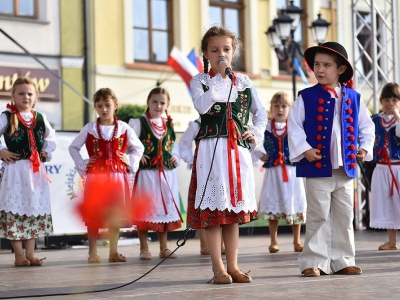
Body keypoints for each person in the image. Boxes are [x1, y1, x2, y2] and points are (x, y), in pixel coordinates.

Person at [187, 26, 268, 284]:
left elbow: (261, 113)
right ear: (206, 53)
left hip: (237, 151)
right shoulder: (199, 80)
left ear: (233, 52)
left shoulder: (243, 82)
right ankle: (217, 268)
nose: (221, 54)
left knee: (232, 210)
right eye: (215, 50)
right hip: (212, 149)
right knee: (214, 209)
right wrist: (219, 80)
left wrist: (254, 133)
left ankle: (233, 266)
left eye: (226, 49)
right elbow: (201, 106)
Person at [288, 42, 375, 277]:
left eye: (327, 65)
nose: (320, 69)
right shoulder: (305, 97)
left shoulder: (354, 97)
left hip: (344, 169)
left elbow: (367, 127)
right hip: (317, 168)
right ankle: (313, 261)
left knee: (344, 215)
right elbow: (294, 126)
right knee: (318, 215)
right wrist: (305, 150)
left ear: (341, 69)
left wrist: (365, 148)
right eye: (317, 64)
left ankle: (342, 259)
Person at [69, 88, 144, 264]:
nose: (104, 109)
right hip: (96, 178)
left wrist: (129, 160)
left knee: (115, 214)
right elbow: (73, 147)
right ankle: (92, 252)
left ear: (115, 106)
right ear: (95, 107)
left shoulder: (124, 128)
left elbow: (138, 148)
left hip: (118, 177)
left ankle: (113, 251)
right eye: (100, 105)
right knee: (95, 213)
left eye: (107, 105)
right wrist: (84, 163)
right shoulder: (90, 128)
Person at [0, 77, 56, 266]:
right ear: (13, 96)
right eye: (21, 93)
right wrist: (1, 151)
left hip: (34, 172)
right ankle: (19, 255)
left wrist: (46, 152)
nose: (26, 97)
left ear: (35, 97)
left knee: (32, 210)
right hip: (15, 170)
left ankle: (31, 253)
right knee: (16, 212)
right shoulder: (7, 116)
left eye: (30, 93)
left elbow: (50, 138)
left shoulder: (40, 118)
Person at [129, 87, 182, 260]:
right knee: (145, 208)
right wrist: (137, 155)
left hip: (166, 174)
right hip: (147, 174)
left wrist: (175, 156)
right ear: (148, 102)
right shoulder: (138, 123)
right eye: (154, 102)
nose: (158, 105)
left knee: (164, 209)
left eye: (162, 102)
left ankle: (164, 247)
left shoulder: (169, 124)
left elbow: (175, 146)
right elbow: (129, 145)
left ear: (167, 105)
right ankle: (144, 248)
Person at [252, 92, 306, 254]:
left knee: (293, 204)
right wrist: (260, 155)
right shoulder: (266, 127)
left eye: (284, 106)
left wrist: (299, 156)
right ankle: (273, 242)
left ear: (290, 108)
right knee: (273, 204)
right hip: (273, 172)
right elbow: (251, 141)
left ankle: (297, 241)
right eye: (277, 106)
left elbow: (303, 143)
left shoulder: (295, 126)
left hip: (292, 172)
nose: (280, 109)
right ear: (271, 108)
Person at [179, 117, 226, 256]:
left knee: (222, 205)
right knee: (203, 206)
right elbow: (183, 144)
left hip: (222, 171)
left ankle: (222, 245)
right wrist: (192, 160)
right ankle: (204, 245)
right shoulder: (196, 124)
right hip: (203, 172)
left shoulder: (225, 120)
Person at [370, 82, 400, 250]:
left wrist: (397, 116)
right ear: (381, 101)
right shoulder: (374, 120)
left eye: (395, 99)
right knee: (387, 203)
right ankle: (392, 241)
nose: (390, 103)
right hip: (381, 168)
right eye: (387, 99)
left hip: (399, 167)